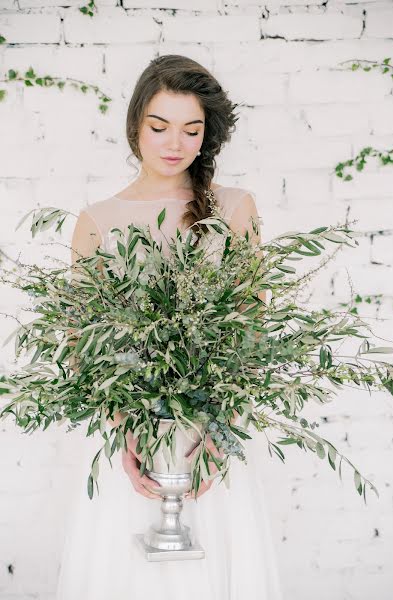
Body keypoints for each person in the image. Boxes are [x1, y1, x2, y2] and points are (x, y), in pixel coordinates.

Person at [56, 54, 283, 600]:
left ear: (208, 135)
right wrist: (124, 428)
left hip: (211, 436)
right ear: (136, 124)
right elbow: (81, 341)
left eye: (191, 129)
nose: (174, 142)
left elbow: (251, 326)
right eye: (159, 127)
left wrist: (220, 432)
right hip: (134, 440)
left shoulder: (234, 208)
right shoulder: (98, 220)